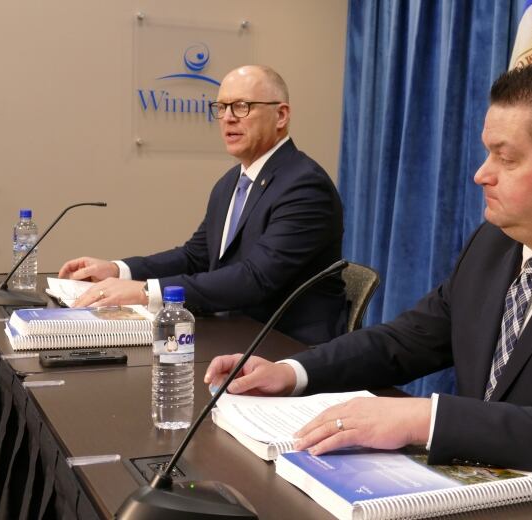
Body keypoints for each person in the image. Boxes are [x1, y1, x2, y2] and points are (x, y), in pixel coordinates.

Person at [204, 59, 532, 515]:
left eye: (505, 157)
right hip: (494, 495)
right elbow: (405, 339)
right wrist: (292, 372)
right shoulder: (494, 245)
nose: (480, 174)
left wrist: (424, 418)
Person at [59, 65, 347, 345]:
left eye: (242, 106)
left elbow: (255, 278)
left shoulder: (304, 186)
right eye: (221, 108)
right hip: (235, 335)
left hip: (287, 347)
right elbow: (195, 256)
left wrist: (146, 292)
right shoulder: (231, 181)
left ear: (281, 115)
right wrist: (119, 270)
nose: (228, 118)